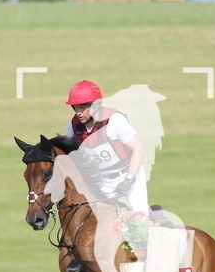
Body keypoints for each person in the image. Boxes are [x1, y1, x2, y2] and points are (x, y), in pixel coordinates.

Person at [62, 80, 149, 215]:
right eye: (76, 107)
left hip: (129, 174)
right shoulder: (72, 127)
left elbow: (138, 149)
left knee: (140, 219)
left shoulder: (114, 121)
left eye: (83, 107)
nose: (78, 112)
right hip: (103, 181)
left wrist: (129, 179)